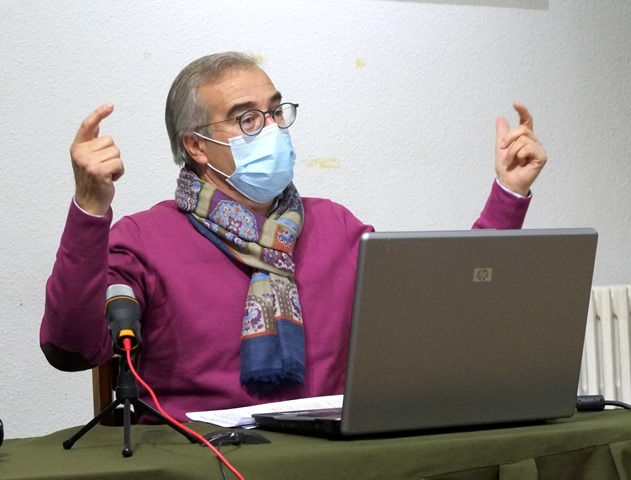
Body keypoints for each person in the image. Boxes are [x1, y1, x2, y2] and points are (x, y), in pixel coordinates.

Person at [40, 52, 547, 423]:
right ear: (196, 146)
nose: (272, 128)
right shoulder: (146, 238)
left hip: (331, 455)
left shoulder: (337, 227)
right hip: (201, 456)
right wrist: (90, 206)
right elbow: (71, 348)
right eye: (247, 118)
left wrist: (508, 192)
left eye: (276, 111)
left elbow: (437, 318)